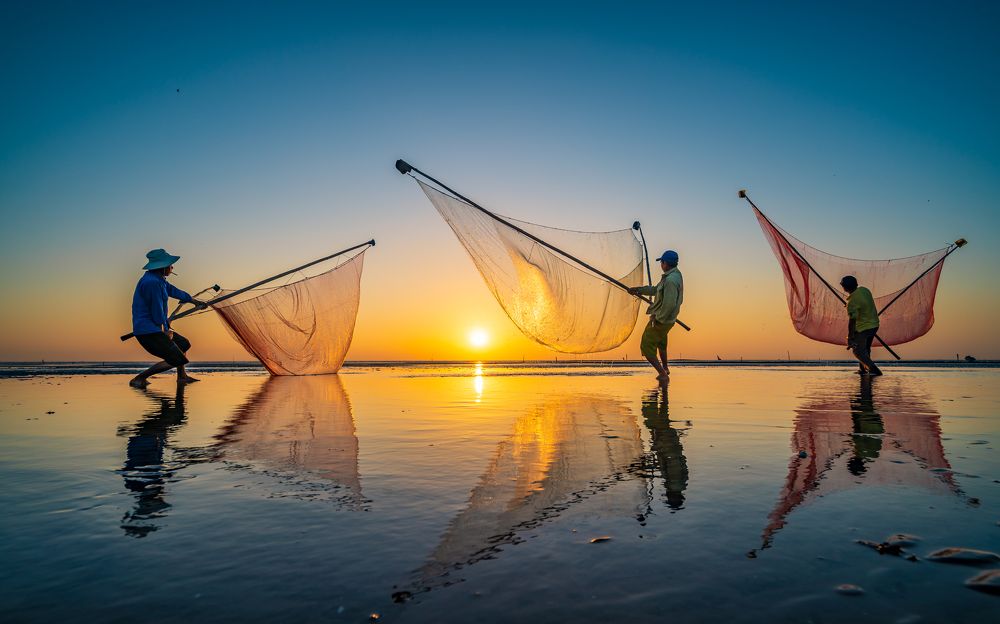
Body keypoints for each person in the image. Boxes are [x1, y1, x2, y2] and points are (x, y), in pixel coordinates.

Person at [129, 249, 205, 388]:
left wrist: (194, 301)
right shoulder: (152, 283)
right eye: (170, 265)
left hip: (156, 327)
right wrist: (165, 331)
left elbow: (174, 291)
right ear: (162, 267)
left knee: (183, 344)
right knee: (177, 359)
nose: (172, 267)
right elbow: (156, 311)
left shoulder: (160, 280)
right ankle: (139, 378)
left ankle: (182, 377)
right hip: (149, 331)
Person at [628, 250, 683, 379]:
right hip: (668, 320)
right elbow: (655, 290)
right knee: (661, 343)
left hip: (662, 319)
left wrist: (657, 319)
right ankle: (665, 368)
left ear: (665, 263)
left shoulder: (670, 280)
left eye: (662, 262)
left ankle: (663, 374)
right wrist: (638, 290)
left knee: (646, 345)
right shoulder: (674, 275)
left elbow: (669, 304)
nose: (661, 265)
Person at [840, 275, 883, 376]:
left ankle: (874, 370)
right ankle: (863, 370)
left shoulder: (852, 302)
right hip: (874, 325)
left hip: (863, 328)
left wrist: (850, 337)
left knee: (858, 351)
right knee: (865, 348)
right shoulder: (864, 290)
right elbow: (863, 303)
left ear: (845, 288)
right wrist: (850, 305)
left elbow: (852, 321)